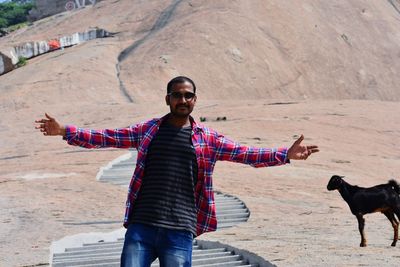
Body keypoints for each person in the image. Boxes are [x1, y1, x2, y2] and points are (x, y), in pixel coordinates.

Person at [35, 76, 319, 267]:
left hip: (181, 229)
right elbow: (107, 136)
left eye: (188, 96)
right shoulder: (148, 130)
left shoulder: (208, 138)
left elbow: (246, 154)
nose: (183, 100)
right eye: (177, 95)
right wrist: (64, 131)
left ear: (195, 100)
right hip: (142, 225)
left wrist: (286, 154)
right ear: (167, 99)